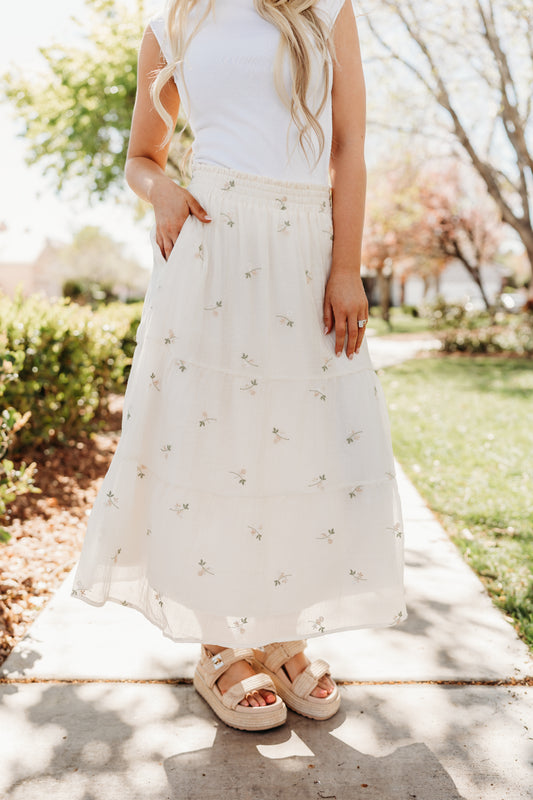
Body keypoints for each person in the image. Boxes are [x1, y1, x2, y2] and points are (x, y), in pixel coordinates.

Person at [71, 0, 407, 731]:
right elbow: (140, 156)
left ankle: (285, 632)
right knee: (213, 445)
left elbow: (348, 144)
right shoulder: (170, 28)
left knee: (305, 445)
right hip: (213, 249)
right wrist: (160, 189)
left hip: (307, 250)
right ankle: (219, 641)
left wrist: (345, 267)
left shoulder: (326, 9)